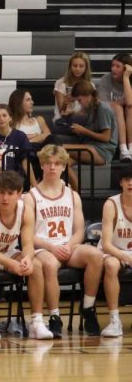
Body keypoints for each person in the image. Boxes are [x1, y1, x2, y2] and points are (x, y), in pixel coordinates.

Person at [25, 144, 106, 338]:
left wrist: (67, 247)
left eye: (57, 163)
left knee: (95, 255)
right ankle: (54, 317)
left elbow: (79, 230)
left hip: (68, 246)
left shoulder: (72, 195)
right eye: (48, 163)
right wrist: (52, 247)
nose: (52, 167)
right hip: (43, 247)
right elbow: (28, 235)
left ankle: (88, 307)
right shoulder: (31, 196)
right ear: (42, 165)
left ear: (64, 167)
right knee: (51, 265)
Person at [0, 170, 53, 341]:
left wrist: (27, 258)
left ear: (19, 194)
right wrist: (12, 264)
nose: (5, 198)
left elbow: (27, 244)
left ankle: (37, 322)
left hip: (8, 251)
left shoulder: (26, 211)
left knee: (36, 265)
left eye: (10, 193)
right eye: (1, 192)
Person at [98, 172, 132, 338]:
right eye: (127, 179)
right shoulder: (111, 204)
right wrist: (126, 257)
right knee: (111, 265)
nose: (130, 183)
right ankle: (114, 320)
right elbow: (105, 244)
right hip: (111, 249)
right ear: (121, 182)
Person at [58, 81, 118, 172]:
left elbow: (106, 137)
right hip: (91, 146)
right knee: (63, 164)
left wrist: (84, 131)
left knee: (59, 149)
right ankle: (76, 187)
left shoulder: (103, 108)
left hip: (102, 151)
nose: (80, 103)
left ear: (88, 96)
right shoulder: (91, 108)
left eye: (80, 100)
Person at [53, 51, 90, 121]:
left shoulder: (90, 85)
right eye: (74, 65)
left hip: (82, 118)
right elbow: (62, 112)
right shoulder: (61, 83)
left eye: (81, 66)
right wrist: (65, 103)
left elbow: (90, 108)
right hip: (62, 120)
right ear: (70, 66)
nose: (77, 69)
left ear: (86, 68)